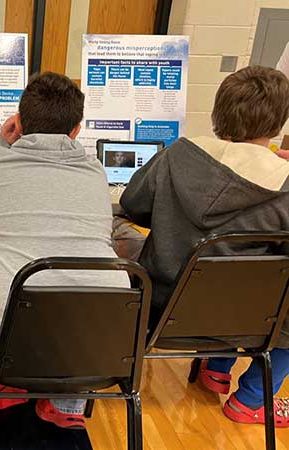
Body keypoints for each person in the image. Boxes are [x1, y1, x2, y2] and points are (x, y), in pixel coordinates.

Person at [0, 72, 130, 442]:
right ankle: (66, 407)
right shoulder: (96, 171)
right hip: (91, 333)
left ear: (20, 120)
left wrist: (2, 143)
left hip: (4, 329)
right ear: (76, 131)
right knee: (80, 292)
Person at [120, 65, 289, 426]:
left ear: (218, 111)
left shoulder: (178, 155)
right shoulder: (285, 184)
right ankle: (251, 399)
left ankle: (217, 368)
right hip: (245, 320)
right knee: (258, 282)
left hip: (159, 308)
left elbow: (133, 204)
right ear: (279, 123)